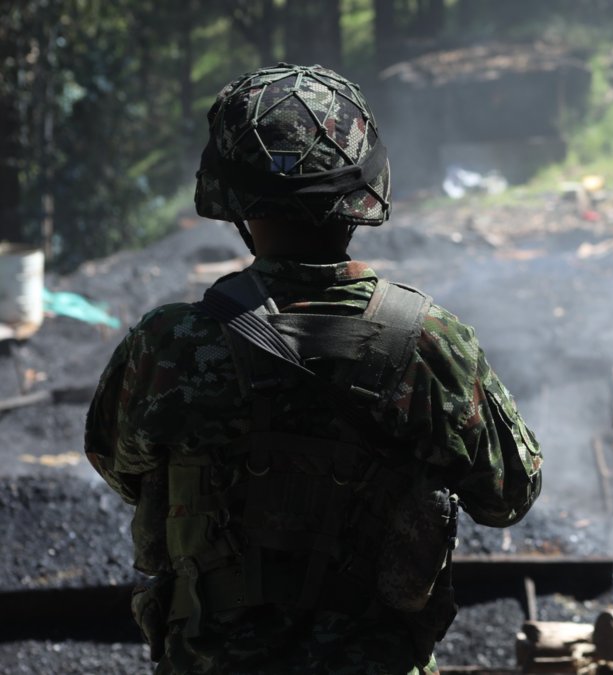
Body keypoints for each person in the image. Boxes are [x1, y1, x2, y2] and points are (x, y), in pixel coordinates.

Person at [84, 63, 542, 674]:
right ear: (363, 194)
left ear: (236, 205)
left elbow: (121, 467)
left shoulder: (169, 344)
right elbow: (509, 494)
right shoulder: (429, 342)